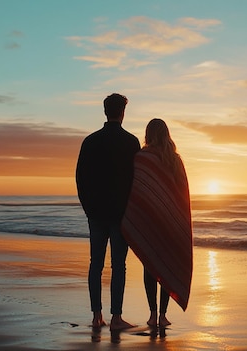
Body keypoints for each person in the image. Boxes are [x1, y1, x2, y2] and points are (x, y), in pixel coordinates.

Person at [75, 93, 140, 330]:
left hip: (96, 213)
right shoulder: (131, 142)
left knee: (96, 264)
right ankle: (116, 318)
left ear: (105, 112)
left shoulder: (90, 141)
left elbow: (80, 178)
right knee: (118, 266)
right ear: (123, 113)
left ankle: (96, 317)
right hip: (121, 213)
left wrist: (88, 208)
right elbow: (138, 180)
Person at [122, 118, 192, 328]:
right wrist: (179, 218)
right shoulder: (175, 160)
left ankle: (152, 314)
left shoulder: (142, 158)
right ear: (166, 134)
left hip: (150, 221)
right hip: (170, 222)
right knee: (167, 265)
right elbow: (182, 195)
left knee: (151, 265)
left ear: (148, 134)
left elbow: (137, 190)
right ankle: (162, 316)